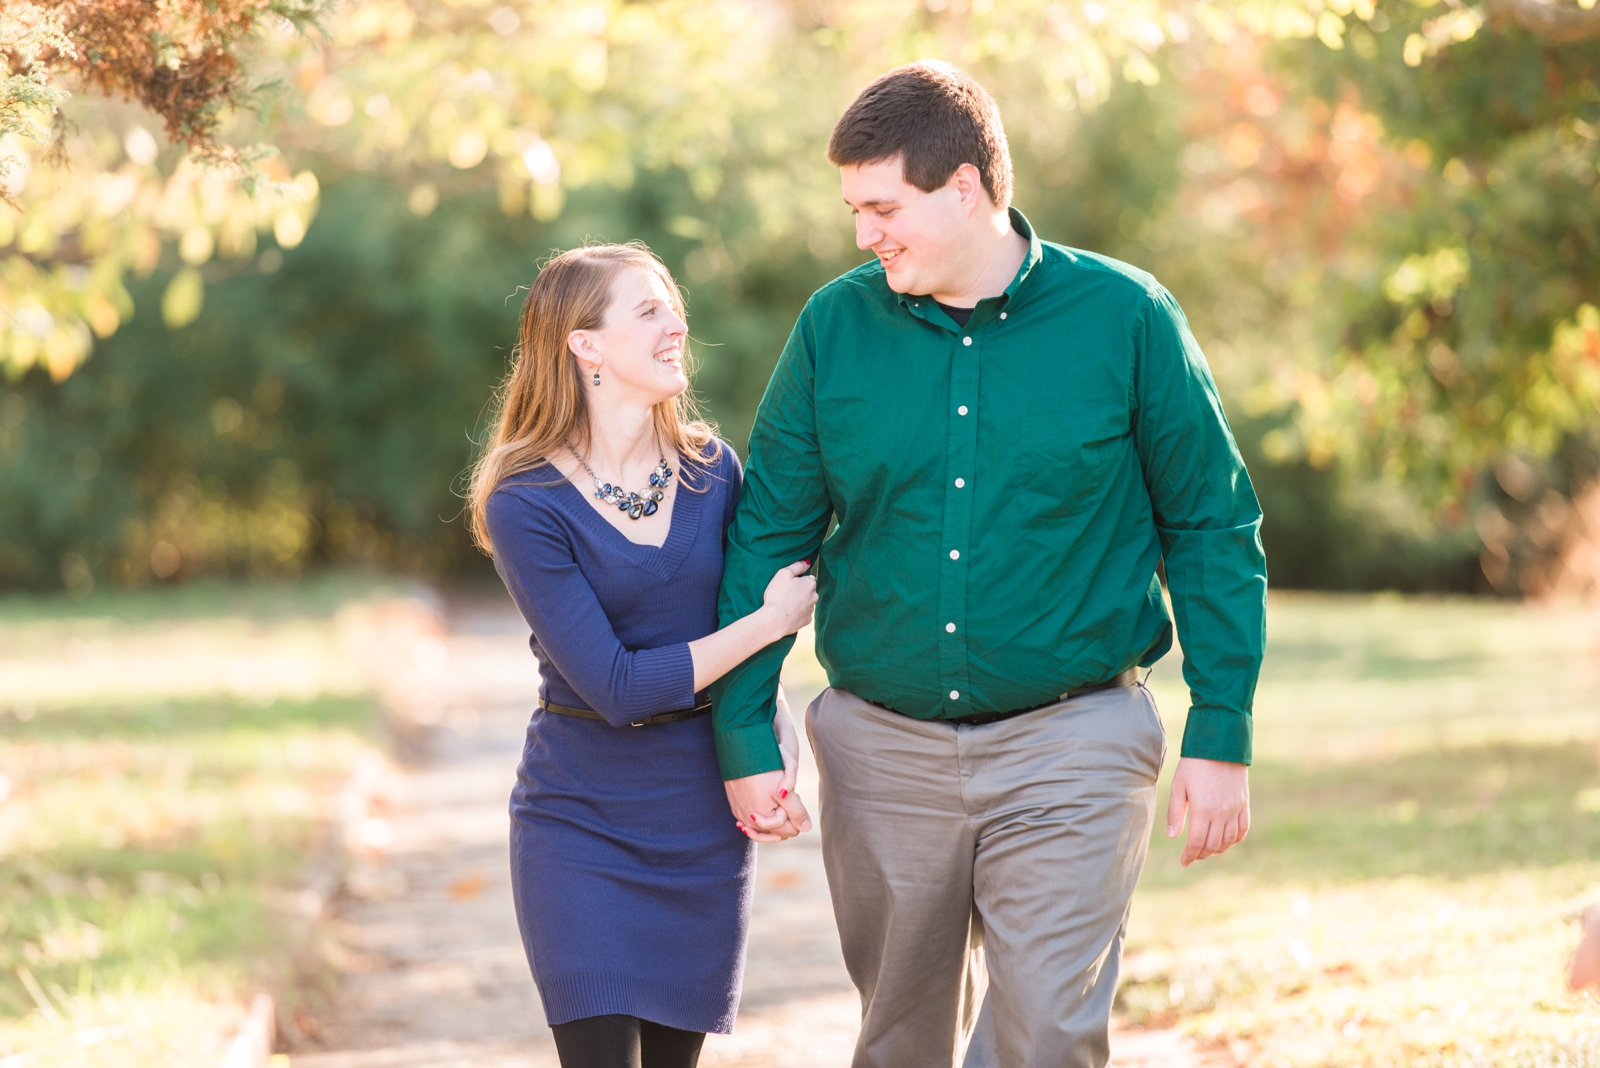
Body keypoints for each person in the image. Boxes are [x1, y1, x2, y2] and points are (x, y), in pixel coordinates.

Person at [711, 62, 1268, 1068]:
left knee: (1047, 1035)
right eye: (853, 209)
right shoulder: (835, 328)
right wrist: (746, 728)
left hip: (1076, 740)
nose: (862, 234)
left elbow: (1210, 526)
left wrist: (1219, 727)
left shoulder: (1128, 319)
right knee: (900, 1041)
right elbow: (766, 535)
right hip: (882, 752)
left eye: (883, 206)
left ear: (964, 186)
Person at [467, 243, 815, 1068]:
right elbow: (619, 686)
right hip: (579, 826)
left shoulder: (711, 472)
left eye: (674, 305)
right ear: (585, 344)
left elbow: (738, 635)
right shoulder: (526, 502)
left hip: (700, 825)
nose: (677, 323)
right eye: (649, 309)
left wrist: (776, 742)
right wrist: (769, 625)